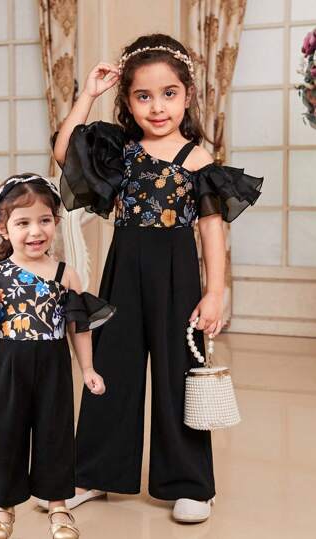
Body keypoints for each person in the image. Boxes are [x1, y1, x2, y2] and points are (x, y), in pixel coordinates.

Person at [50, 33, 263, 524]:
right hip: (123, 271)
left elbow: (211, 229)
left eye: (169, 93)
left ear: (188, 94)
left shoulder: (198, 159)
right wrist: (87, 95)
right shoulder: (121, 150)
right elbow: (64, 153)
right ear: (127, 101)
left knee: (178, 376)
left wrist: (215, 292)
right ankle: (94, 473)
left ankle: (190, 483)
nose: (157, 107)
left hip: (177, 276)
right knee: (111, 368)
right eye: (142, 96)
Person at [0, 173, 116, 538]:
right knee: (6, 434)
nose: (35, 231)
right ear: (2, 228)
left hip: (54, 365)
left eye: (44, 220)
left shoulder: (66, 275)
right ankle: (2, 508)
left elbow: (78, 326)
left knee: (56, 434)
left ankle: (58, 506)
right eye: (23, 223)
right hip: (10, 365)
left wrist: (88, 368)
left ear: (56, 222)